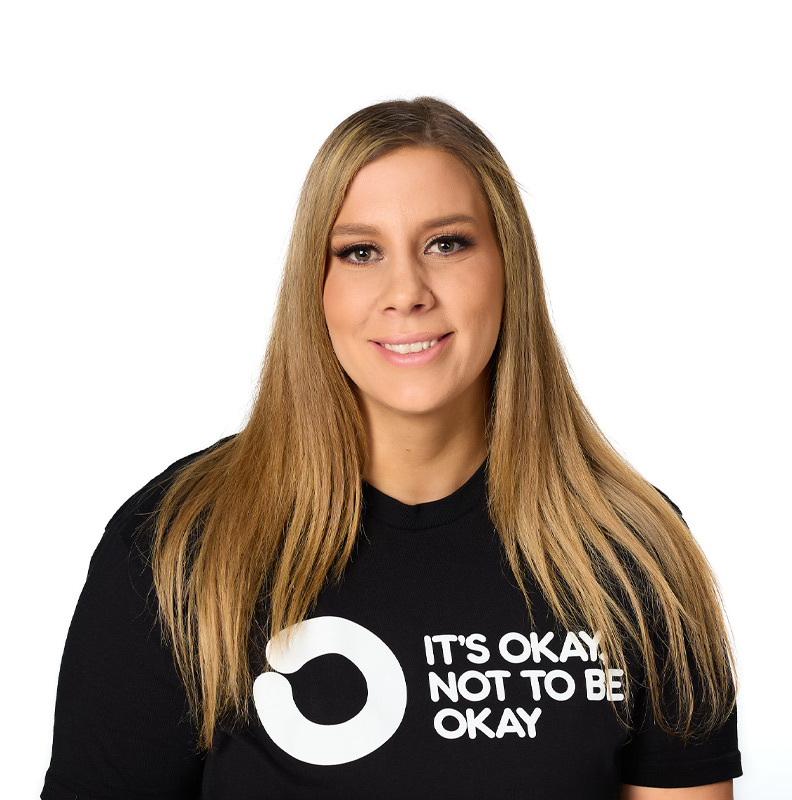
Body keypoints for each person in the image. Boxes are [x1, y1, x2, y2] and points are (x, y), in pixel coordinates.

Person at [42, 98, 741, 799]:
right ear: (316, 287)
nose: (406, 292)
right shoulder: (179, 544)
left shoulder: (634, 550)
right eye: (360, 252)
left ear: (509, 266)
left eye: (447, 244)